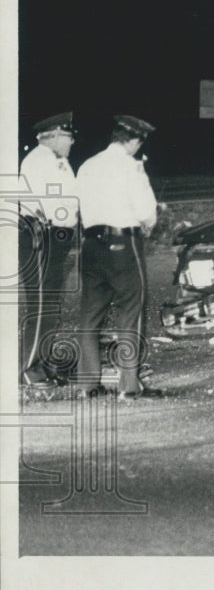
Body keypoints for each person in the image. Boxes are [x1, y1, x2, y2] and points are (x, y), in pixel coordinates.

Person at [74, 115, 163, 400]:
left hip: (90, 243)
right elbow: (145, 209)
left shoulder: (87, 165)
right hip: (123, 244)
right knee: (131, 312)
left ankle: (88, 385)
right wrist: (149, 223)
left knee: (90, 316)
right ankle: (129, 385)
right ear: (135, 141)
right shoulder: (131, 166)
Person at [18, 112, 79, 387]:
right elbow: (46, 204)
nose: (72, 142)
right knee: (41, 305)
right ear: (52, 135)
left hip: (59, 236)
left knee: (52, 304)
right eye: (68, 137)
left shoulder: (61, 162)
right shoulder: (38, 161)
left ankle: (45, 361)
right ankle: (30, 368)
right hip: (41, 236)